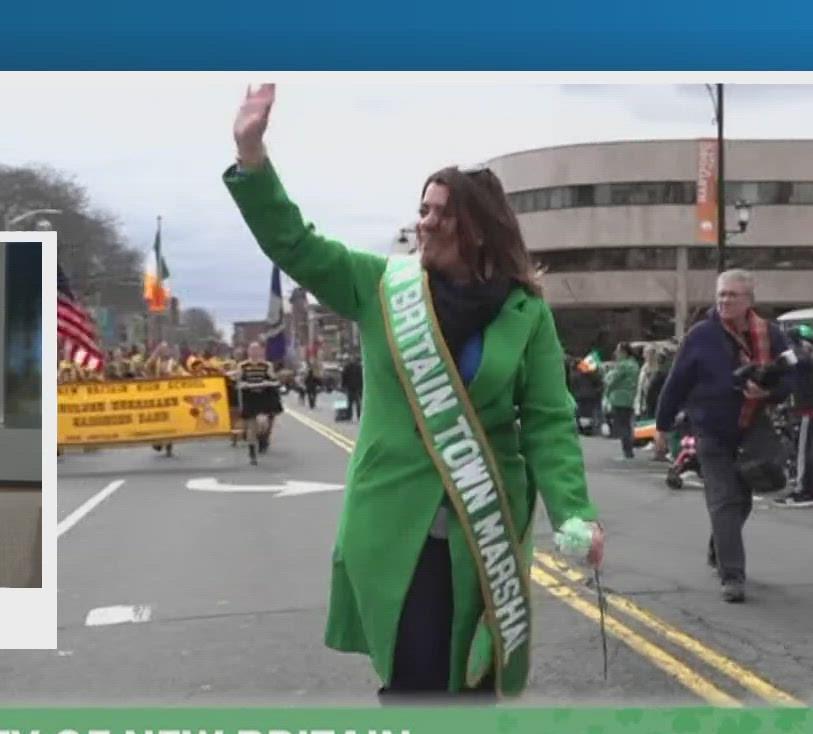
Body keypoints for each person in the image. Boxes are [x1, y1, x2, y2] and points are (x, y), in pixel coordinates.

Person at [223, 83, 603, 699]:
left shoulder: (524, 310)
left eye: (438, 211)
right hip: (397, 519)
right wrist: (251, 156)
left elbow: (547, 422)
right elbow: (294, 244)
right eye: (421, 209)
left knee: (477, 677)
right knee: (417, 680)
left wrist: (573, 512)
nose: (422, 222)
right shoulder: (381, 286)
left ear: (476, 227)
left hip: (486, 520)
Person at [654, 268, 792, 603]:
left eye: (732, 295)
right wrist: (661, 426)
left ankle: (721, 545)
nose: (725, 301)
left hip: (753, 427)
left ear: (749, 300)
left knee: (743, 500)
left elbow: (791, 380)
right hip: (711, 430)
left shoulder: (770, 334)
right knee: (724, 499)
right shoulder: (701, 335)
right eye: (721, 295)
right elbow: (676, 383)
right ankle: (733, 577)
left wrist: (769, 394)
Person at [772, 323, 813, 508]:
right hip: (811, 407)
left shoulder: (804, 355)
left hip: (808, 408)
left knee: (805, 450)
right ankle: (811, 488)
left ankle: (803, 490)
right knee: (810, 449)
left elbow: (791, 364)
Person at [235, 339, 283, 463]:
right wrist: (242, 384)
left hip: (263, 396)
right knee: (251, 426)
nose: (254, 352)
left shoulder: (267, 365)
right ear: (248, 352)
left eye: (257, 350)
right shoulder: (242, 365)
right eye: (252, 350)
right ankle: (252, 452)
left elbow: (273, 379)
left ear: (261, 351)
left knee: (263, 424)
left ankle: (263, 439)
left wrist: (272, 381)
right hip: (249, 397)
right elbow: (238, 381)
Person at [602, 344, 642, 459]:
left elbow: (612, 380)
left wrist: (607, 379)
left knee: (623, 425)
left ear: (624, 352)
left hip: (619, 397)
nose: (616, 354)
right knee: (627, 425)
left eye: (618, 351)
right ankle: (628, 450)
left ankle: (627, 452)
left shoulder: (623, 365)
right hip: (630, 397)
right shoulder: (634, 364)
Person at [341, 355, 364, 420]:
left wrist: (343, 385)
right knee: (358, 402)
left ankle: (349, 416)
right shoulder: (360, 368)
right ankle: (359, 415)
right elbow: (363, 377)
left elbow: (344, 376)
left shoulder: (347, 367)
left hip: (350, 387)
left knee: (350, 402)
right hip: (358, 387)